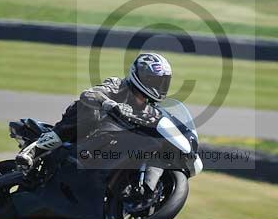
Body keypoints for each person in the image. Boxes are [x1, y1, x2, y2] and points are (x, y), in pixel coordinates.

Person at [22, 53, 172, 161]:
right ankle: (35, 150)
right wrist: (110, 104)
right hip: (88, 130)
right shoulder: (118, 85)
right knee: (89, 109)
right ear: (141, 77)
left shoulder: (150, 109)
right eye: (155, 81)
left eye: (163, 82)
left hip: (107, 147)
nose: (159, 86)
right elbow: (88, 95)